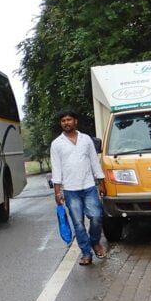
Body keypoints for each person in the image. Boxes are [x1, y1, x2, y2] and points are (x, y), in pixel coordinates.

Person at [50, 110, 107, 266]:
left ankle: (95, 241)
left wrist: (101, 183)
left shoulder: (86, 139)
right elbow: (56, 169)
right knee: (78, 224)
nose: (66, 123)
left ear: (75, 121)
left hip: (89, 186)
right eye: (63, 120)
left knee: (96, 217)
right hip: (70, 190)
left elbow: (95, 162)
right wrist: (57, 192)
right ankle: (86, 253)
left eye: (69, 119)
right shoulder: (57, 144)